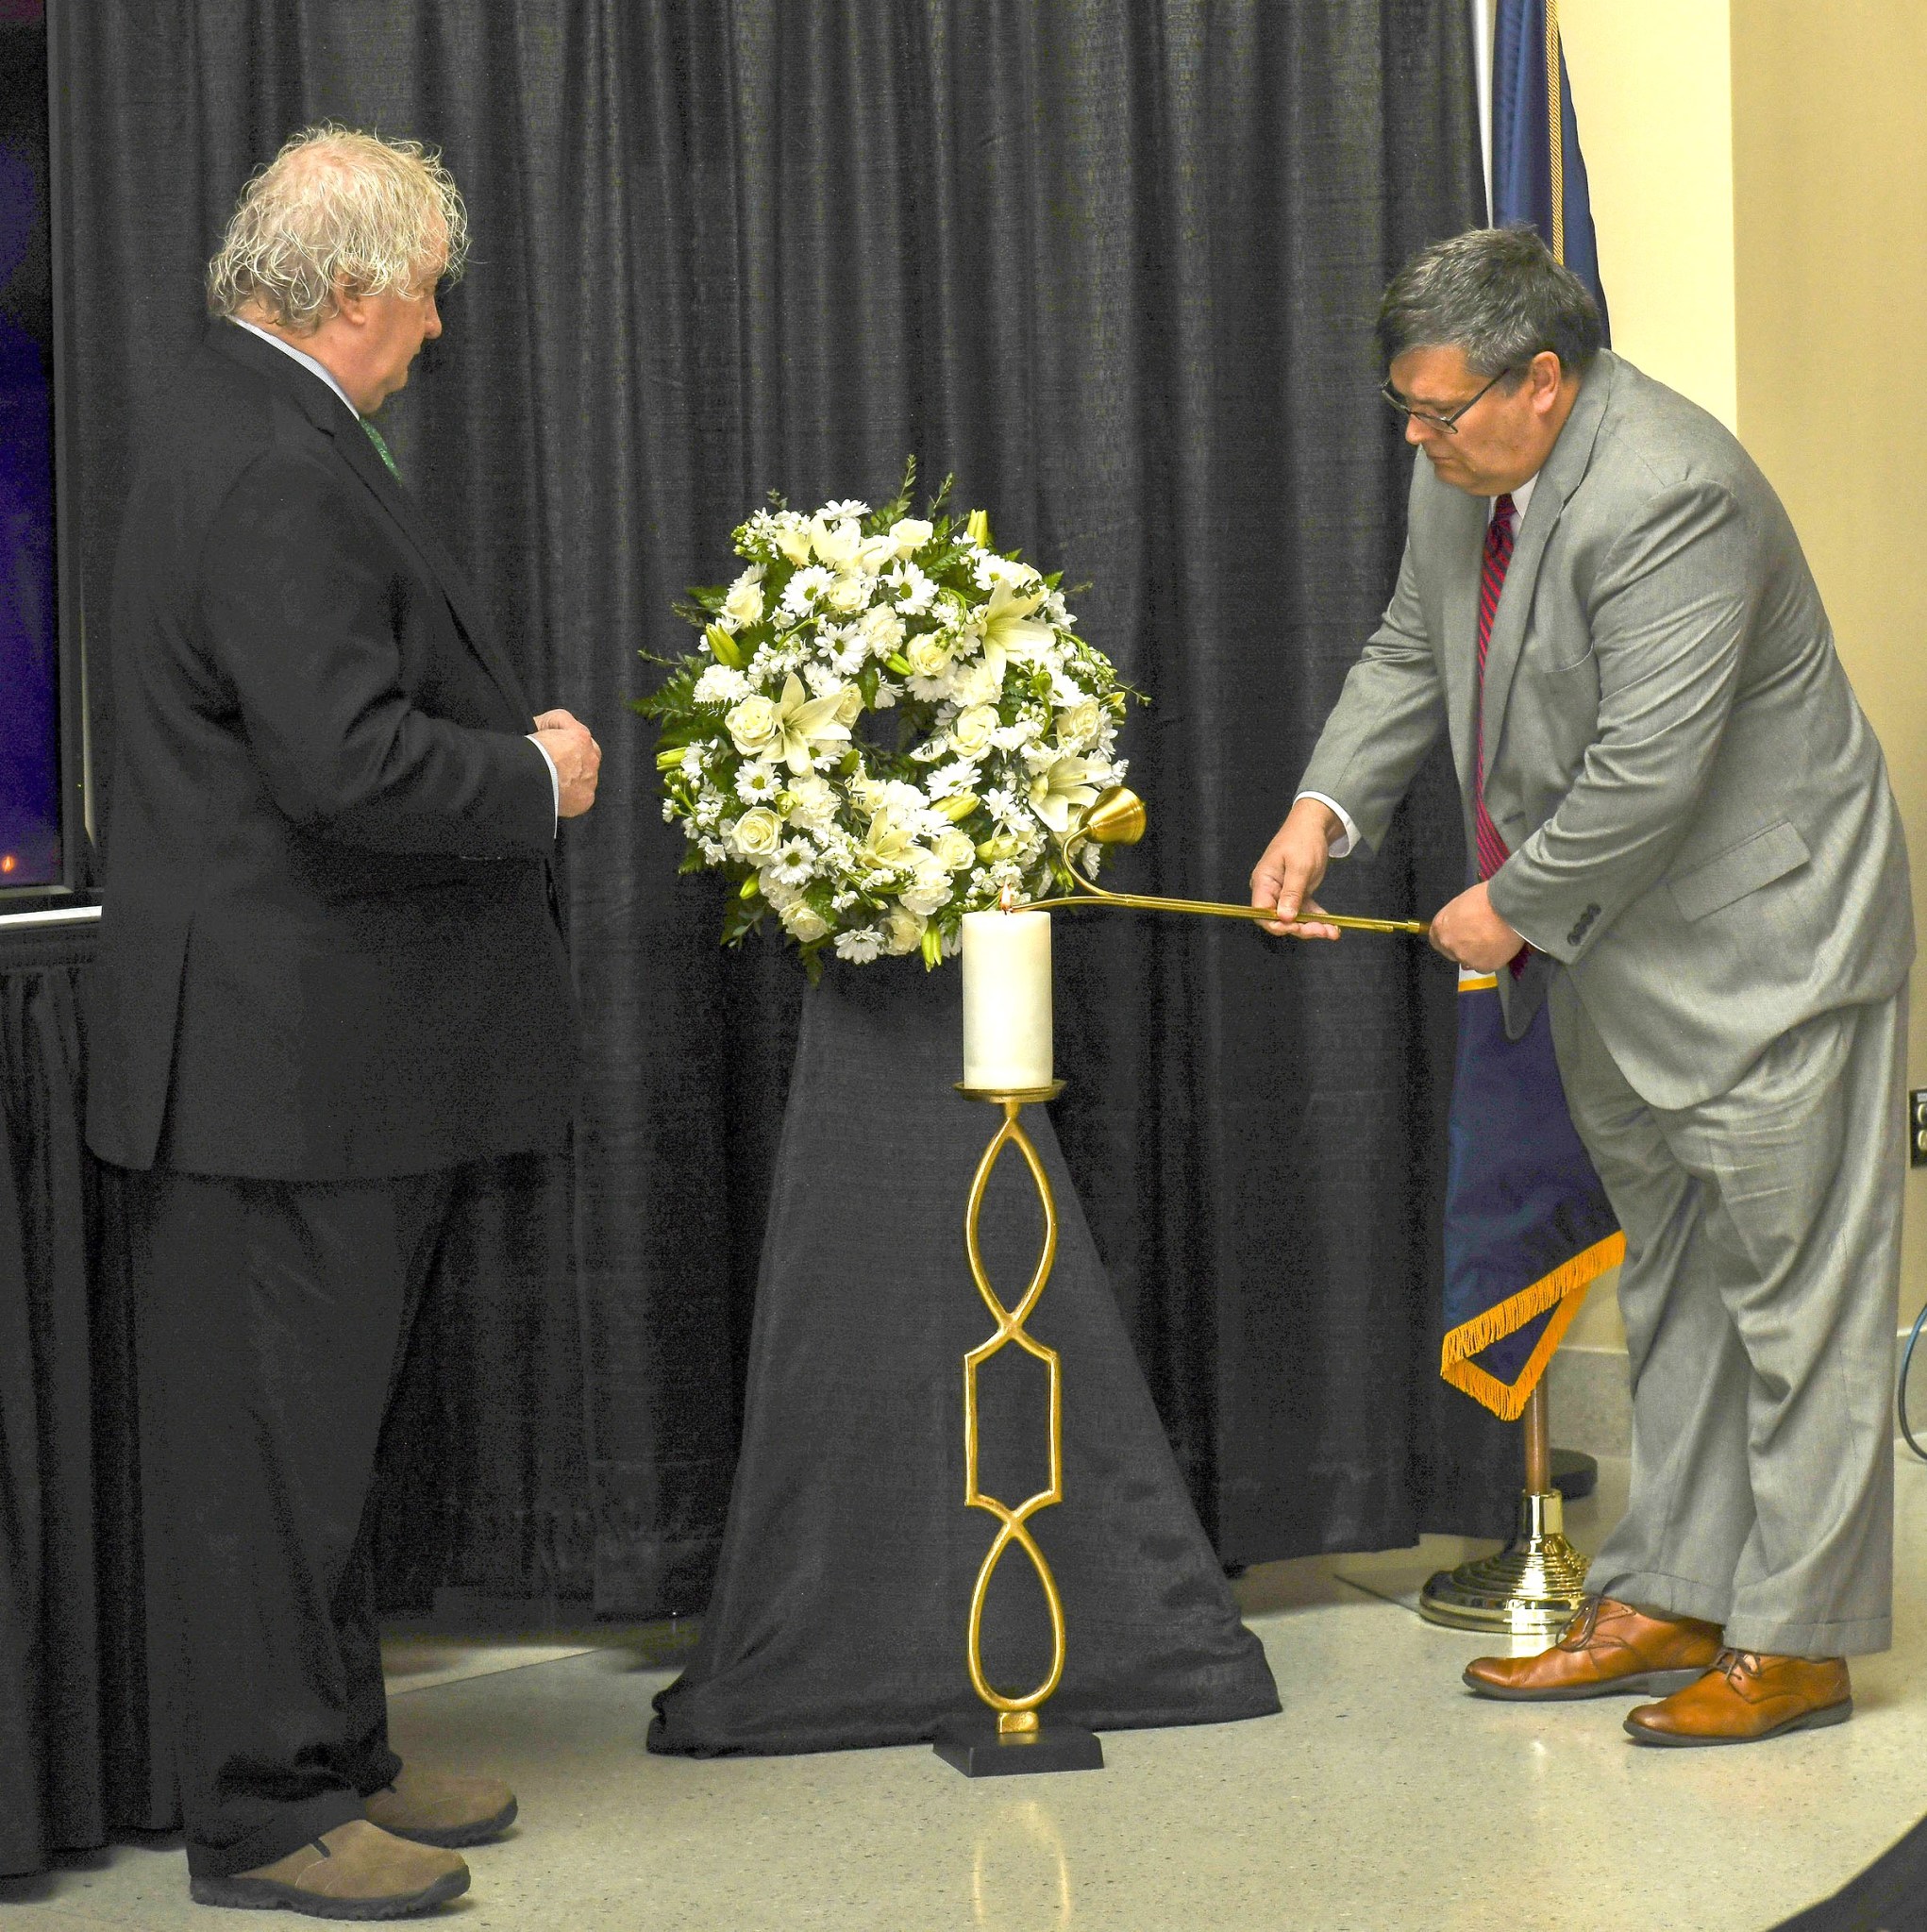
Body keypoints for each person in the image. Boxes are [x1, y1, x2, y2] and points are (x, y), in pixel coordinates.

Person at [1251, 226, 1911, 1748]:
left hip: (1766, 942)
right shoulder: (1459, 474)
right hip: (1622, 953)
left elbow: (1643, 775)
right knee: (1675, 1276)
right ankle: (1676, 1591)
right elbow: (1417, 644)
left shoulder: (1671, 491)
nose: (1415, 443)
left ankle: (1798, 1641)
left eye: (1439, 414)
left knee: (1797, 1299)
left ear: (1540, 382)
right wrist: (1323, 809)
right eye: (1401, 414)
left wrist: (1505, 909)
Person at [86, 126, 601, 1914]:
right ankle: (264, 1813)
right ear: (363, 290)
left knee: (321, 1450)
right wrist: (532, 777)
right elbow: (345, 764)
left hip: (301, 1059)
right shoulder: (276, 459)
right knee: (272, 1467)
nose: (441, 326)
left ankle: (340, 1756)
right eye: (430, 291)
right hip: (278, 1063)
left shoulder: (249, 418)